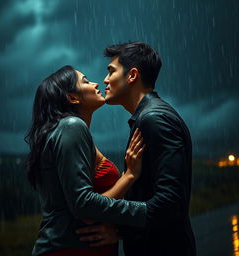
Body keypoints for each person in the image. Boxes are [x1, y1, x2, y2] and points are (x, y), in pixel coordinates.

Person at [77, 42, 196, 256]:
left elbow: (171, 202)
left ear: (132, 75)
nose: (105, 80)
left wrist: (120, 227)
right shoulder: (147, 117)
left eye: (111, 71)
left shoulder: (155, 119)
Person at [24, 65, 148, 256]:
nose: (96, 83)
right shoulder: (72, 127)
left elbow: (85, 206)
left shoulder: (69, 131)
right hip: (70, 249)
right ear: (73, 98)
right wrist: (146, 210)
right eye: (85, 81)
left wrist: (120, 230)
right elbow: (84, 206)